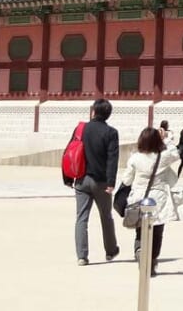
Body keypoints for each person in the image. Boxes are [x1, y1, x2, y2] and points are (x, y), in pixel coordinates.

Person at [120, 126, 179, 274]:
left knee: (140, 229)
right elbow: (175, 153)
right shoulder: (162, 157)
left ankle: (140, 250)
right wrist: (167, 139)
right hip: (158, 198)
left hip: (139, 197)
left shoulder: (135, 158)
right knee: (157, 230)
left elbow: (126, 180)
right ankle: (151, 260)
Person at [69, 98, 121, 266]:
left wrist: (69, 177)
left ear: (93, 112)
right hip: (101, 182)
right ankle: (110, 251)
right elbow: (112, 159)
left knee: (81, 218)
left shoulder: (81, 129)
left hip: (81, 180)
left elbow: (71, 152)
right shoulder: (111, 133)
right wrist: (111, 182)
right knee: (106, 216)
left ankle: (82, 256)